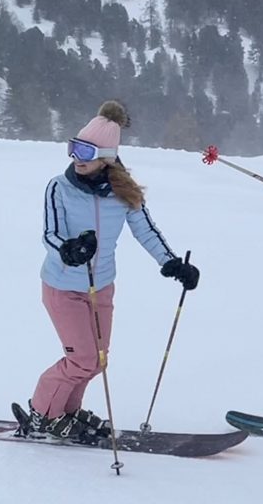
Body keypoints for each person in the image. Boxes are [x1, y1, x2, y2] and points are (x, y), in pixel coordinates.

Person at [21, 100, 200, 440]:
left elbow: (146, 230)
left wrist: (172, 263)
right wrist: (69, 250)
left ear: (106, 157)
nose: (76, 157)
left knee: (97, 359)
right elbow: (50, 234)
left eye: (85, 151)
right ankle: (43, 413)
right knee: (82, 359)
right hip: (63, 286)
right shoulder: (59, 187)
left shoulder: (123, 193)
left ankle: (66, 411)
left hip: (102, 286)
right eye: (74, 148)